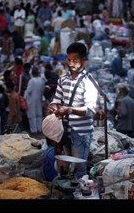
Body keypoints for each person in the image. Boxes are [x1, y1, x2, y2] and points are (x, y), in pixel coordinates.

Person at [47, 42, 99, 179]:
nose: (71, 64)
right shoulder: (63, 79)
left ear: (84, 61)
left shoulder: (89, 82)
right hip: (63, 130)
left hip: (81, 133)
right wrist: (53, 107)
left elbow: (90, 110)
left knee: (79, 171)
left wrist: (69, 110)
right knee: (63, 170)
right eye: (69, 60)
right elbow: (57, 100)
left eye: (75, 60)